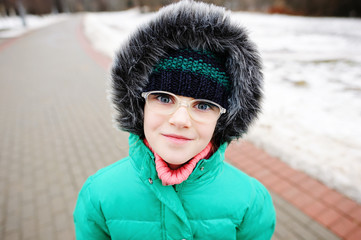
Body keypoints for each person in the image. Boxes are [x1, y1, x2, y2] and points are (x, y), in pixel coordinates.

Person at [73, 0, 276, 239]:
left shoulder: (250, 201)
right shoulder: (99, 195)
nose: (180, 120)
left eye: (203, 105)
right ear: (140, 105)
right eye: (164, 98)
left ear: (223, 119)